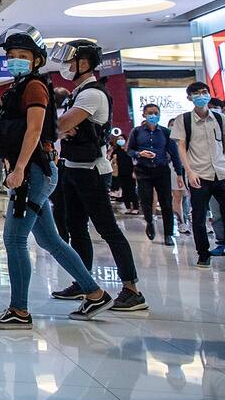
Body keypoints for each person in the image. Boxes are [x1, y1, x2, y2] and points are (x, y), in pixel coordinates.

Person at [0, 24, 114, 329]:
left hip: (34, 171)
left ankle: (19, 310)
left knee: (14, 238)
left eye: (22, 55)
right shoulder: (18, 89)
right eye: (12, 55)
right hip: (35, 171)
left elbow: (34, 129)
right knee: (50, 240)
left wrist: (18, 169)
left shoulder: (33, 87)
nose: (15, 60)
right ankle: (95, 293)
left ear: (36, 59)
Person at [50, 40, 145, 310]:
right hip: (73, 168)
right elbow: (63, 128)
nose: (67, 67)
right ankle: (84, 282)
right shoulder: (78, 92)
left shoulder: (92, 94)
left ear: (85, 63)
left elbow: (61, 125)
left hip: (92, 171)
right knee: (75, 226)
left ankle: (131, 288)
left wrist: (56, 128)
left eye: (71, 62)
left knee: (107, 229)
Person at [172, 81, 225, 268]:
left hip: (221, 172)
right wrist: (189, 171)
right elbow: (181, 146)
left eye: (204, 92)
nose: (201, 95)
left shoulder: (218, 118)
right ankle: (203, 253)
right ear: (190, 98)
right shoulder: (183, 120)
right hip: (199, 175)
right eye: (196, 93)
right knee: (199, 216)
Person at [128, 103, 182, 246]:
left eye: (156, 113)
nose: (153, 115)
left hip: (161, 170)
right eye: (150, 113)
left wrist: (179, 173)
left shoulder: (165, 132)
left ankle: (168, 234)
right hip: (143, 170)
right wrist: (139, 154)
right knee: (145, 200)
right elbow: (129, 150)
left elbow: (174, 154)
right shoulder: (137, 132)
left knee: (166, 203)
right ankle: (149, 222)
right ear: (144, 114)